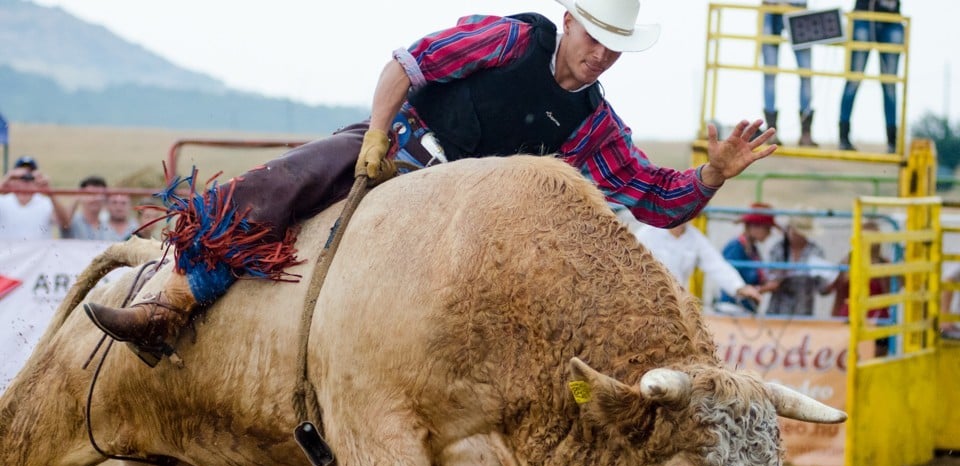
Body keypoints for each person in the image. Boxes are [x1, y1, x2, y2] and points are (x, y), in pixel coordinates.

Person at [85, 0, 779, 368]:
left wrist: (713, 173)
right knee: (281, 187)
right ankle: (172, 305)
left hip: (473, 216)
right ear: (567, 22)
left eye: (611, 46)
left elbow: (656, 198)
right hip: (405, 150)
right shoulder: (509, 39)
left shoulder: (593, 125)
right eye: (591, 36)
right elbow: (409, 65)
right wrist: (378, 136)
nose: (598, 55)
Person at [632, 221, 763, 307]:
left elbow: (716, 264)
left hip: (675, 303)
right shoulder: (646, 234)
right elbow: (630, 265)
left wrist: (739, 287)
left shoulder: (695, 238)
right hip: (644, 301)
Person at [838, 0, 903, 153]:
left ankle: (892, 141)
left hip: (891, 18)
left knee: (890, 85)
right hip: (864, 15)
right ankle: (843, 137)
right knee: (854, 80)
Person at [820, 220, 893, 354]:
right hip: (854, 316)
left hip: (874, 319)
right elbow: (833, 289)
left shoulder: (883, 264)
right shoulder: (849, 261)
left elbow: (889, 294)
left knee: (872, 354)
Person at [760, 1, 817, 146]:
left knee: (805, 73)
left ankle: (804, 132)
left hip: (793, 8)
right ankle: (773, 131)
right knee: (771, 73)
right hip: (773, 7)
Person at [766, 216, 836, 316]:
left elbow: (823, 289)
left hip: (803, 311)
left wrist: (833, 282)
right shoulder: (778, 249)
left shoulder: (816, 252)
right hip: (777, 310)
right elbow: (769, 278)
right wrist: (777, 279)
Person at [719, 204, 781, 312]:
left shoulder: (752, 249)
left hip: (745, 308)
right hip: (733, 307)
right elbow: (728, 277)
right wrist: (764, 288)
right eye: (767, 228)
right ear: (754, 227)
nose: (769, 233)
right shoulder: (736, 248)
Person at [0, 156, 70, 239]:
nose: (26, 179)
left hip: (40, 252)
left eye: (30, 174)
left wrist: (50, 192)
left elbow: (65, 224)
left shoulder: (46, 202)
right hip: (8, 252)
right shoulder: (3, 201)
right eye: (21, 176)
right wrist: (6, 181)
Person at [61, 175, 110, 240]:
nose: (95, 198)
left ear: (105, 197)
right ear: (80, 196)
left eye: (99, 194)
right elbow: (64, 223)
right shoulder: (72, 220)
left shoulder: (108, 223)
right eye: (90, 194)